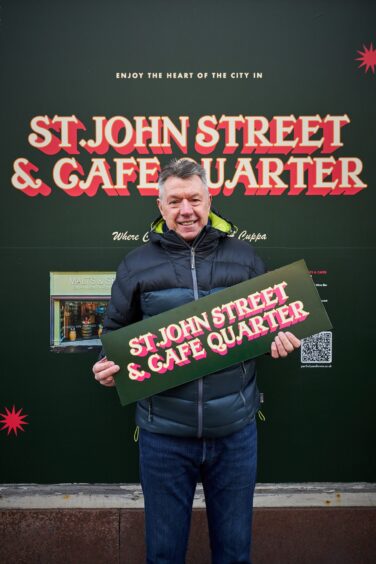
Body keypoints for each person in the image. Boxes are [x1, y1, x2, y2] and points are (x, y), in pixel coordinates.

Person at [92, 158, 300, 564]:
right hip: (163, 435)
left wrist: (279, 336)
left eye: (194, 199)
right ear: (160, 205)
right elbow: (114, 336)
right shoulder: (135, 264)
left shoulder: (245, 258)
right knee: (164, 555)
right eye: (175, 201)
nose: (185, 210)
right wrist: (107, 366)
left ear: (209, 200)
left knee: (235, 554)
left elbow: (273, 320)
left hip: (235, 434)